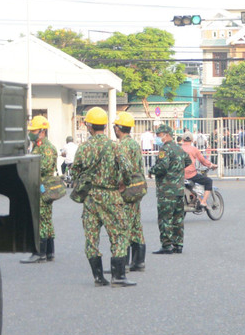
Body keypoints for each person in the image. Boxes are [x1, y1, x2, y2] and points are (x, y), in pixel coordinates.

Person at [69, 108, 138, 287]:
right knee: (120, 234)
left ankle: (98, 277)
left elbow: (74, 171)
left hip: (91, 198)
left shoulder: (83, 148)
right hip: (111, 196)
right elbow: (128, 169)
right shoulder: (115, 146)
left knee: (91, 237)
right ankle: (118, 276)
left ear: (89, 126)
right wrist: (124, 182)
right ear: (106, 126)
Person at [20, 114, 58, 264]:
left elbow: (44, 167)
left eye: (34, 131)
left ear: (42, 131)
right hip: (41, 187)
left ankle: (39, 253)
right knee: (46, 220)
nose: (31, 133)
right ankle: (49, 252)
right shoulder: (38, 146)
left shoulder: (46, 148)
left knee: (40, 220)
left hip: (41, 187)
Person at [113, 112, 147, 273]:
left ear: (118, 128)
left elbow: (124, 168)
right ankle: (139, 262)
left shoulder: (121, 145)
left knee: (124, 224)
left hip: (127, 190)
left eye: (114, 127)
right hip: (137, 188)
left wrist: (121, 184)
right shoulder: (134, 144)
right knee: (136, 224)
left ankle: (123, 263)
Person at [150, 124, 190, 254]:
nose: (158, 138)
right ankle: (178, 244)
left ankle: (167, 245)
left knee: (165, 218)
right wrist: (177, 170)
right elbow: (188, 161)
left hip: (167, 190)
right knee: (178, 218)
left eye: (159, 135)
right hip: (179, 189)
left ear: (166, 135)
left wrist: (152, 170)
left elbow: (162, 166)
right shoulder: (179, 149)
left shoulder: (165, 149)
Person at [181, 134, 214, 207]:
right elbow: (203, 161)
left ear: (182, 140)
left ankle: (195, 198)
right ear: (192, 140)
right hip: (190, 175)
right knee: (209, 181)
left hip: (179, 175)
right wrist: (211, 165)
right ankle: (203, 202)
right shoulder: (194, 149)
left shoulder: (178, 149)